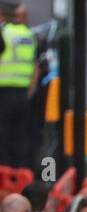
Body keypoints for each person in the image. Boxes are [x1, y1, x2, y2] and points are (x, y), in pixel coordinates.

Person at [0, 1, 37, 172]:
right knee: (21, 137)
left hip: (4, 92)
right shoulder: (28, 34)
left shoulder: (4, 33)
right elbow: (35, 66)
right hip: (23, 93)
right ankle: (22, 175)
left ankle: (5, 176)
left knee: (3, 137)